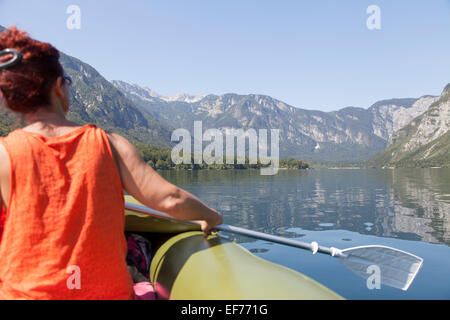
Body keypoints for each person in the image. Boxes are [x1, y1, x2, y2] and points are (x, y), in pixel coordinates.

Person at [0, 27, 222, 300]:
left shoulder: (3, 154)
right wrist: (210, 216)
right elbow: (170, 199)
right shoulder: (110, 145)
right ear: (59, 87)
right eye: (68, 81)